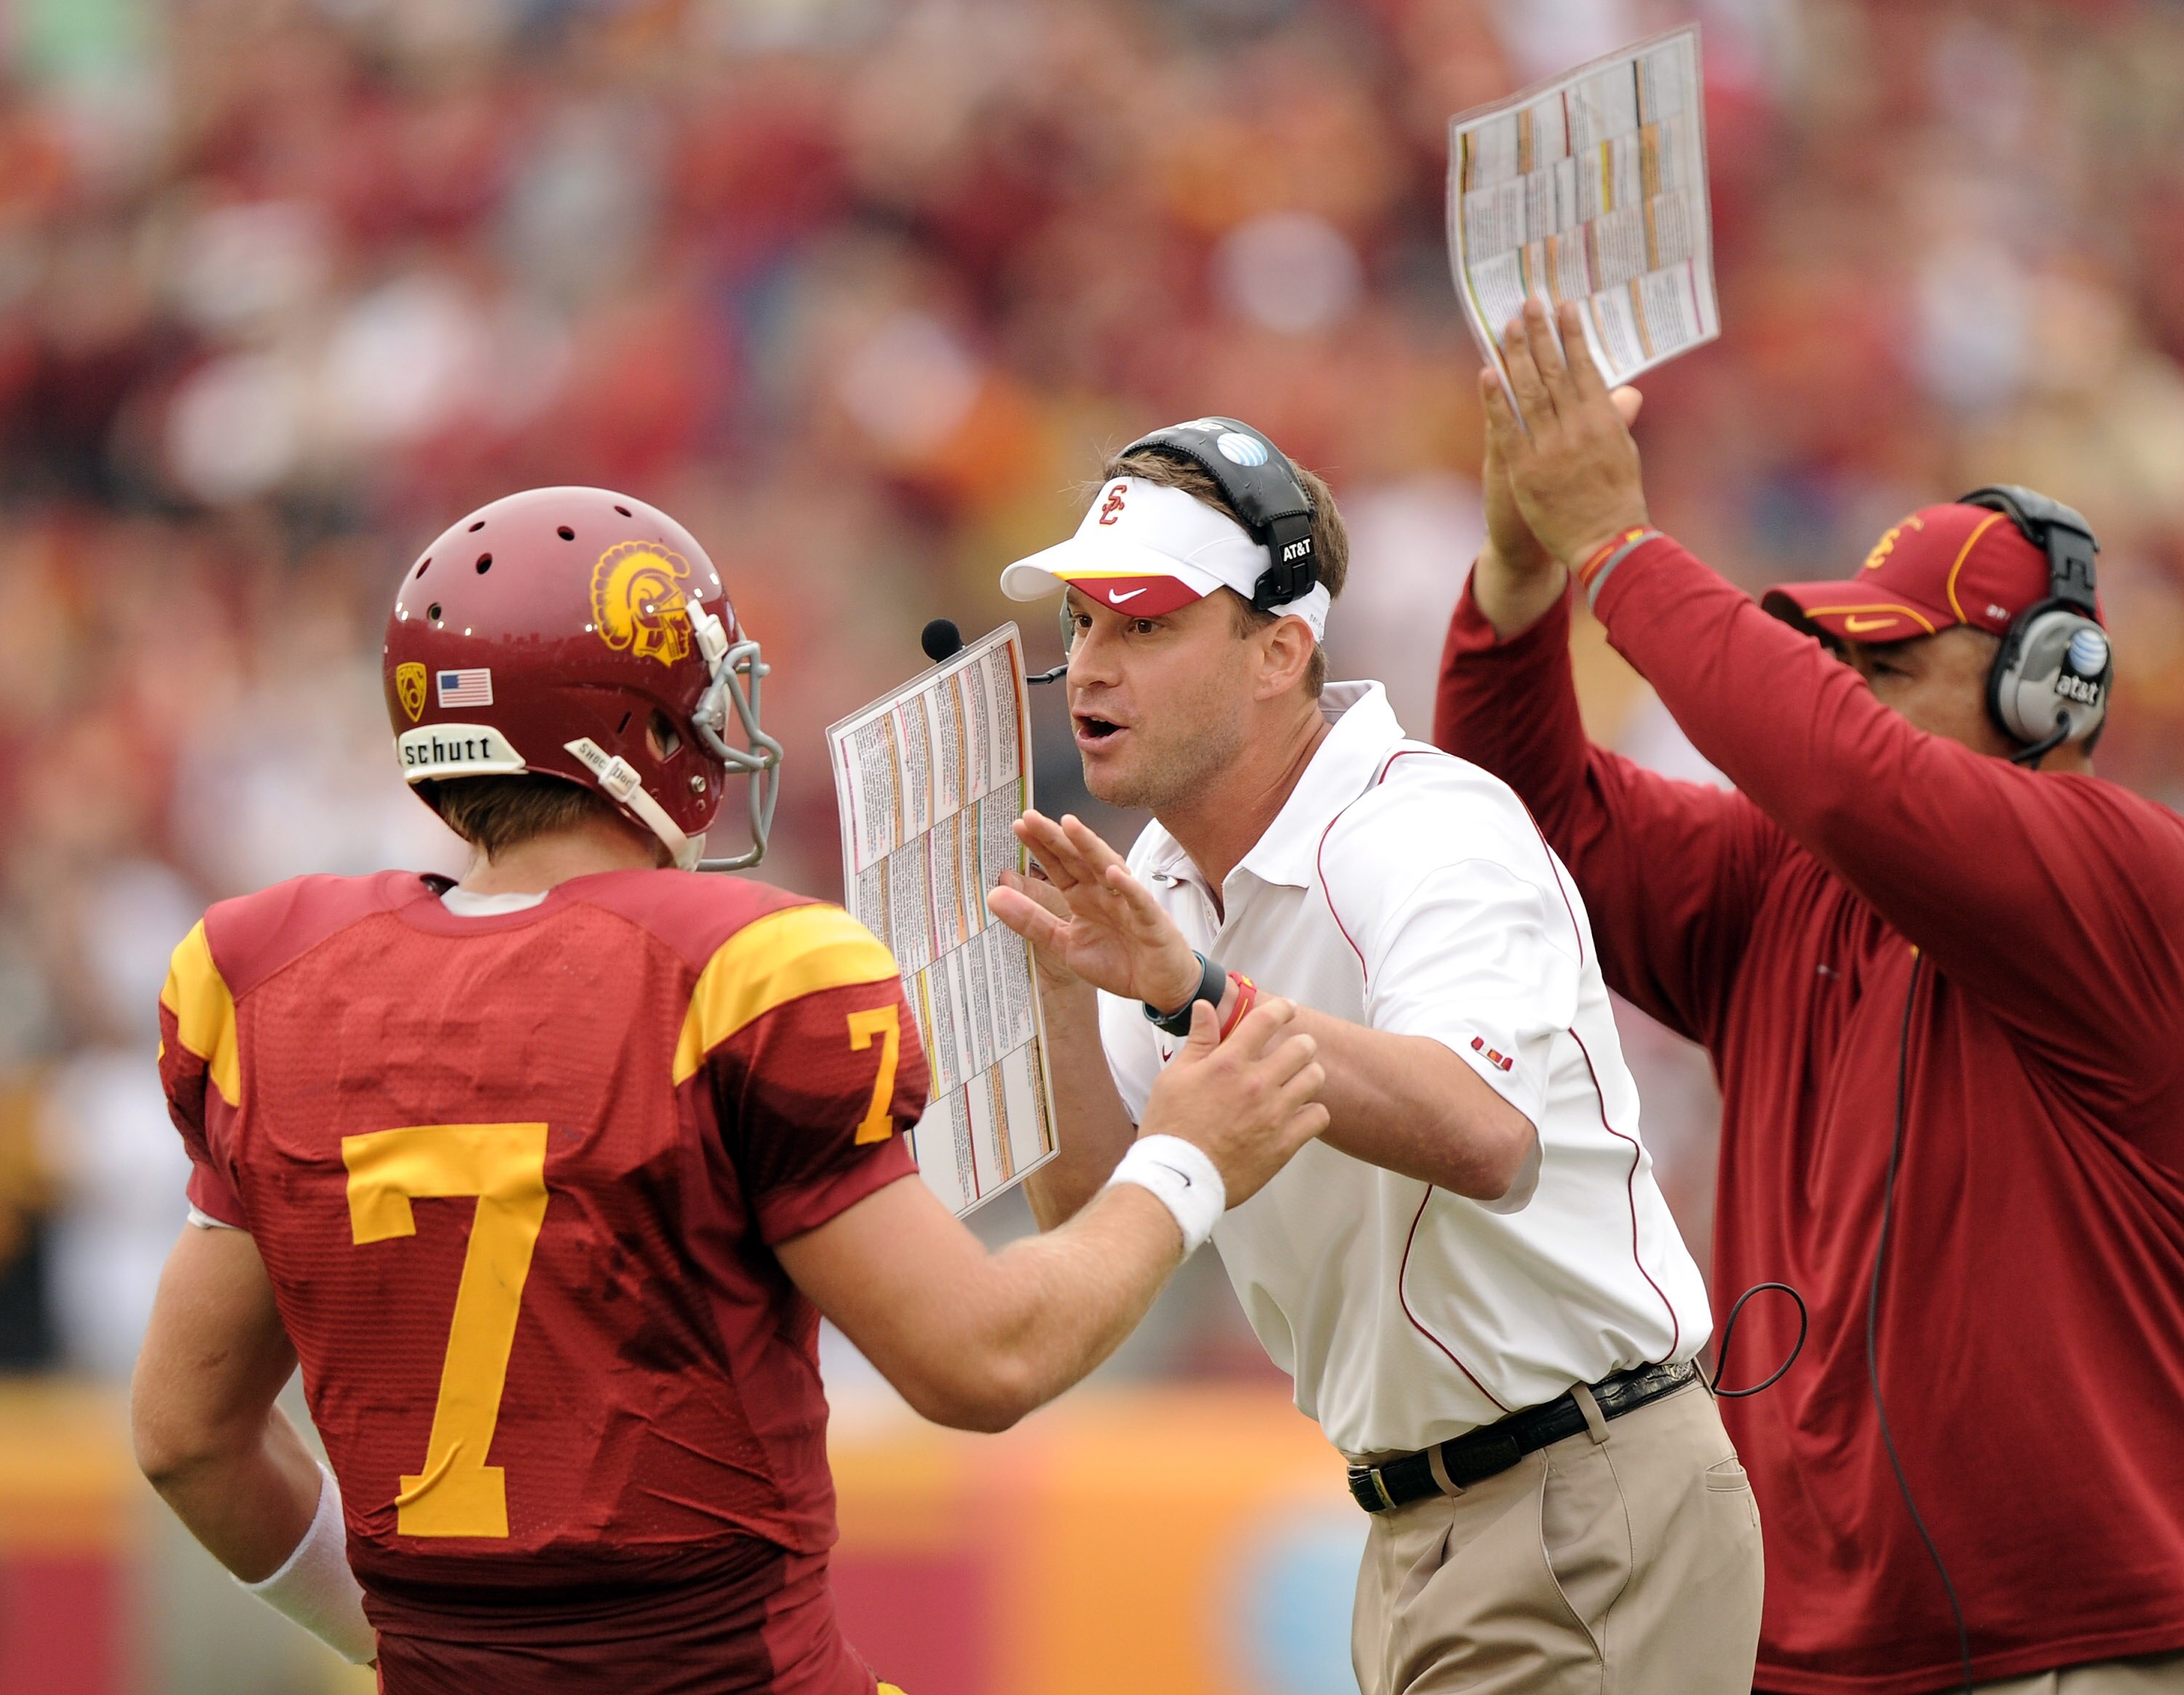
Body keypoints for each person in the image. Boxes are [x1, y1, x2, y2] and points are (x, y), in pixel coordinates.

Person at [127, 484, 1330, 1694]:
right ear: (643, 730)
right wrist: (1186, 1159)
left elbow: (187, 1439)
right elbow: (984, 1361)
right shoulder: (739, 972)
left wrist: (418, 1654)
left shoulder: (270, 976)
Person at [1437, 299, 2184, 1694]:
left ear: (2048, 695)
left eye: (1888, 664)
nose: (1843, 688)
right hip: (1805, 1649)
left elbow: (1846, 771)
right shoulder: (1789, 884)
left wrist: (1620, 547)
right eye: (1835, 658)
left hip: (2077, 1648)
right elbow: (1515, 821)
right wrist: (1522, 572)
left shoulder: (2122, 876)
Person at [984, 416, 1763, 1695]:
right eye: (1081, 625)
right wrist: (1058, 988)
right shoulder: (1160, 887)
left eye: (1145, 624)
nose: (1088, 668)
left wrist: (1196, 994)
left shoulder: (1428, 825)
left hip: (1582, 1493)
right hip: (1424, 1524)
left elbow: (1480, 1132)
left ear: (1279, 650)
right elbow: (1087, 1214)